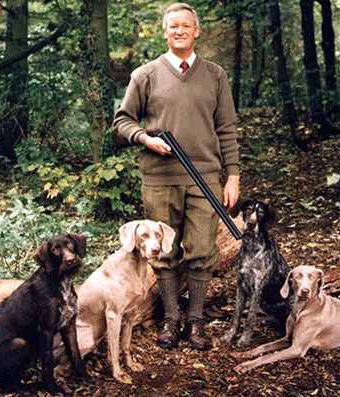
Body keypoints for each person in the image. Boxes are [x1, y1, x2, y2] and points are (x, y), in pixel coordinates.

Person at [113, 3, 239, 351]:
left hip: (205, 178)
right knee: (163, 252)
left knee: (202, 250)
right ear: (165, 32)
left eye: (186, 25)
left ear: (196, 31)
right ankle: (170, 320)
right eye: (173, 26)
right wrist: (145, 138)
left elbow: (227, 129)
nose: (180, 31)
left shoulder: (215, 75)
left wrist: (233, 177)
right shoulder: (145, 75)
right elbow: (122, 121)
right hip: (159, 178)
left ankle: (195, 322)